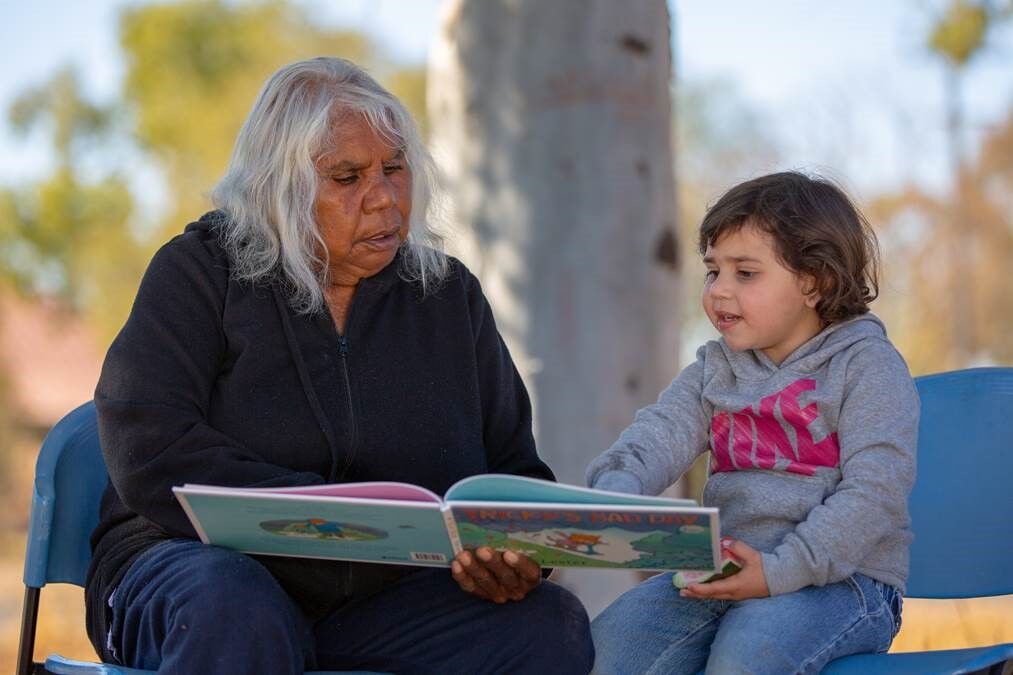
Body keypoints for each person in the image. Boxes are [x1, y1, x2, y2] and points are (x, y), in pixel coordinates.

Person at [85, 56, 594, 674]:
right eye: (347, 177)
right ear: (279, 186)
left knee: (548, 627)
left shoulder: (448, 297)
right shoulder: (201, 271)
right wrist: (327, 517)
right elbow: (150, 444)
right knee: (237, 609)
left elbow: (514, 471)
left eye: (395, 168)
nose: (383, 198)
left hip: (381, 599)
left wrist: (514, 556)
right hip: (192, 573)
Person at [587, 172, 917, 674]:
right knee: (608, 648)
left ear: (814, 282)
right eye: (712, 271)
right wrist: (617, 490)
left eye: (745, 273)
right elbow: (658, 435)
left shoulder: (867, 366)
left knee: (746, 656)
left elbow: (874, 494)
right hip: (726, 566)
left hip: (845, 580)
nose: (718, 292)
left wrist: (780, 571)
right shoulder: (716, 368)